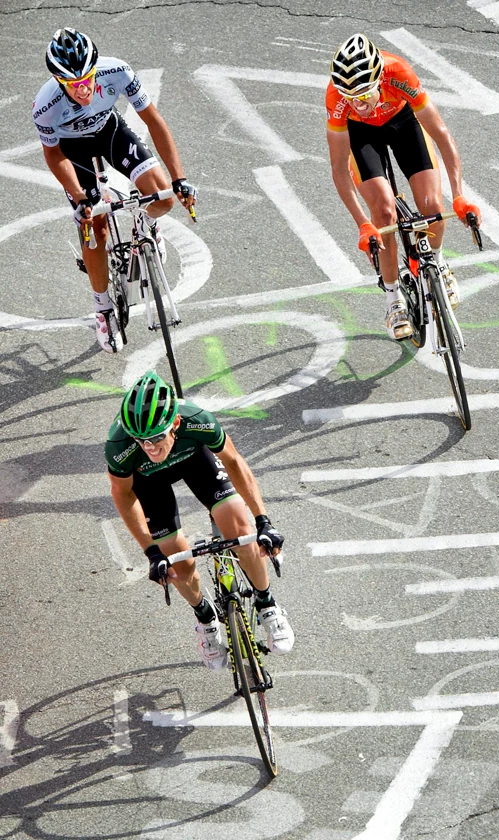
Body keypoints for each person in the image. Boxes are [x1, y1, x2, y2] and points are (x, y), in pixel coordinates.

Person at [106, 370, 293, 670]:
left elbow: (233, 461)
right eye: (142, 441)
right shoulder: (120, 446)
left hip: (195, 459)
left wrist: (263, 520)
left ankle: (266, 603)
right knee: (176, 562)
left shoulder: (196, 419)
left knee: (240, 528)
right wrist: (151, 552)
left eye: (156, 437)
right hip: (148, 482)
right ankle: (205, 618)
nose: (150, 447)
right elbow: (123, 496)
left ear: (175, 424)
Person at [33, 28, 197, 353]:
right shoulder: (45, 105)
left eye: (88, 80)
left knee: (162, 198)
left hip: (110, 131)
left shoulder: (117, 71)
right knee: (95, 229)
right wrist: (79, 198)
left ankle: (147, 226)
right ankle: (103, 308)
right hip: (72, 151)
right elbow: (53, 155)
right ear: (60, 82)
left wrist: (178, 178)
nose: (84, 90)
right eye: (74, 85)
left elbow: (154, 121)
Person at [324, 33, 481, 341]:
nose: (360, 104)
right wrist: (363, 225)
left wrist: (460, 195)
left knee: (432, 205)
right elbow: (339, 170)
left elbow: (442, 136)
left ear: (379, 79)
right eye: (352, 99)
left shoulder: (398, 73)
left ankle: (436, 262)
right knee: (382, 213)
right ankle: (393, 297)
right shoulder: (338, 100)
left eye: (365, 95)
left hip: (402, 121)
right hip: (360, 136)